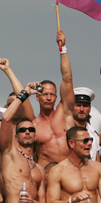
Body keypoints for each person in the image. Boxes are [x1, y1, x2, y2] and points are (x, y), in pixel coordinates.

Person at [0, 82, 46, 203]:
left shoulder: (39, 169)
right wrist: (25, 94)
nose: (27, 132)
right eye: (22, 130)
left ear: (35, 136)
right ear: (15, 137)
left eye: (31, 130)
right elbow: (6, 118)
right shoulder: (10, 154)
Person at [32, 30, 75, 168]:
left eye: (52, 95)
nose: (49, 98)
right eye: (45, 94)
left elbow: (67, 78)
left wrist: (62, 49)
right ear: (38, 98)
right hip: (45, 174)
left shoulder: (65, 112)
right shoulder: (33, 126)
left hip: (69, 171)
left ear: (56, 97)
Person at [46, 126, 101, 203]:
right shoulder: (58, 170)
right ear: (71, 143)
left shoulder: (98, 167)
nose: (89, 143)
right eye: (85, 140)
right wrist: (71, 200)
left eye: (90, 140)